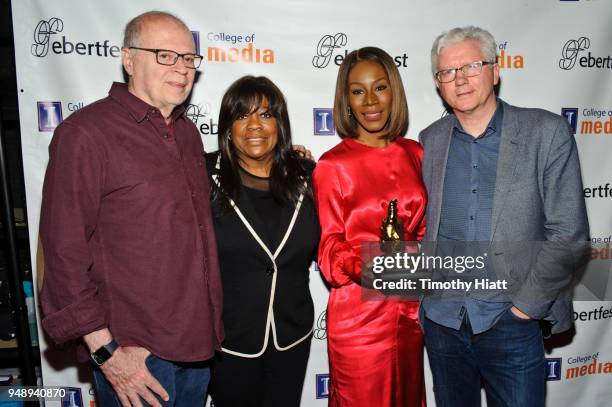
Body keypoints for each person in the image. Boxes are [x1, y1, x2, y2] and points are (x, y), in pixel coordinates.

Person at [39, 11, 223, 407]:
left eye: (189, 59)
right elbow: (62, 254)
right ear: (128, 59)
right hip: (136, 357)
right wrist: (106, 353)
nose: (182, 69)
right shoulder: (85, 134)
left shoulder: (188, 134)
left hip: (199, 348)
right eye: (164, 55)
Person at [419, 26, 589, 407]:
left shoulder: (546, 132)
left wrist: (525, 308)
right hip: (443, 321)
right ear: (438, 84)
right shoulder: (429, 140)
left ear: (495, 71)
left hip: (510, 321)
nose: (460, 79)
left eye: (471, 66)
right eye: (448, 72)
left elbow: (569, 233)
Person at [313, 47, 427, 406]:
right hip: (359, 317)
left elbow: (426, 231)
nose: (370, 101)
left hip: (411, 313)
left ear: (394, 91)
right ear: (346, 99)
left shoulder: (416, 153)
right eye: (357, 91)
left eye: (379, 87)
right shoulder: (333, 165)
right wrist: (366, 264)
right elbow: (329, 247)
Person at [206, 76, 319, 407]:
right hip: (228, 340)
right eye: (242, 116)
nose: (254, 125)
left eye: (266, 115)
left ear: (280, 125)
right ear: (227, 126)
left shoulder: (309, 176)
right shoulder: (201, 175)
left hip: (291, 336)